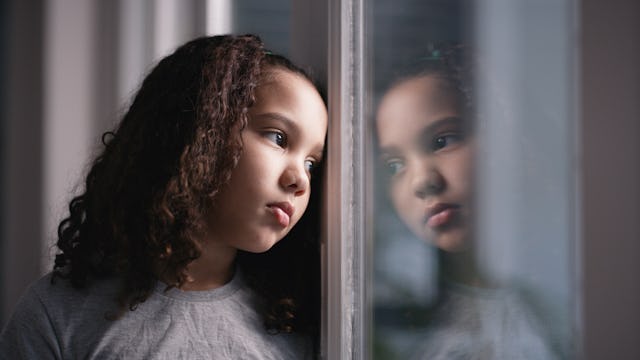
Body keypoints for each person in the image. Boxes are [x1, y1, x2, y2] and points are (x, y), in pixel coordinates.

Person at [0, 34, 327, 359]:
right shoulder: (55, 315)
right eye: (278, 137)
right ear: (199, 133)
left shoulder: (294, 328)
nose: (300, 179)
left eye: (312, 163)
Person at [375, 44, 560, 359]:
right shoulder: (392, 323)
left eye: (443, 140)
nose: (422, 181)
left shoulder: (568, 302)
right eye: (395, 165)